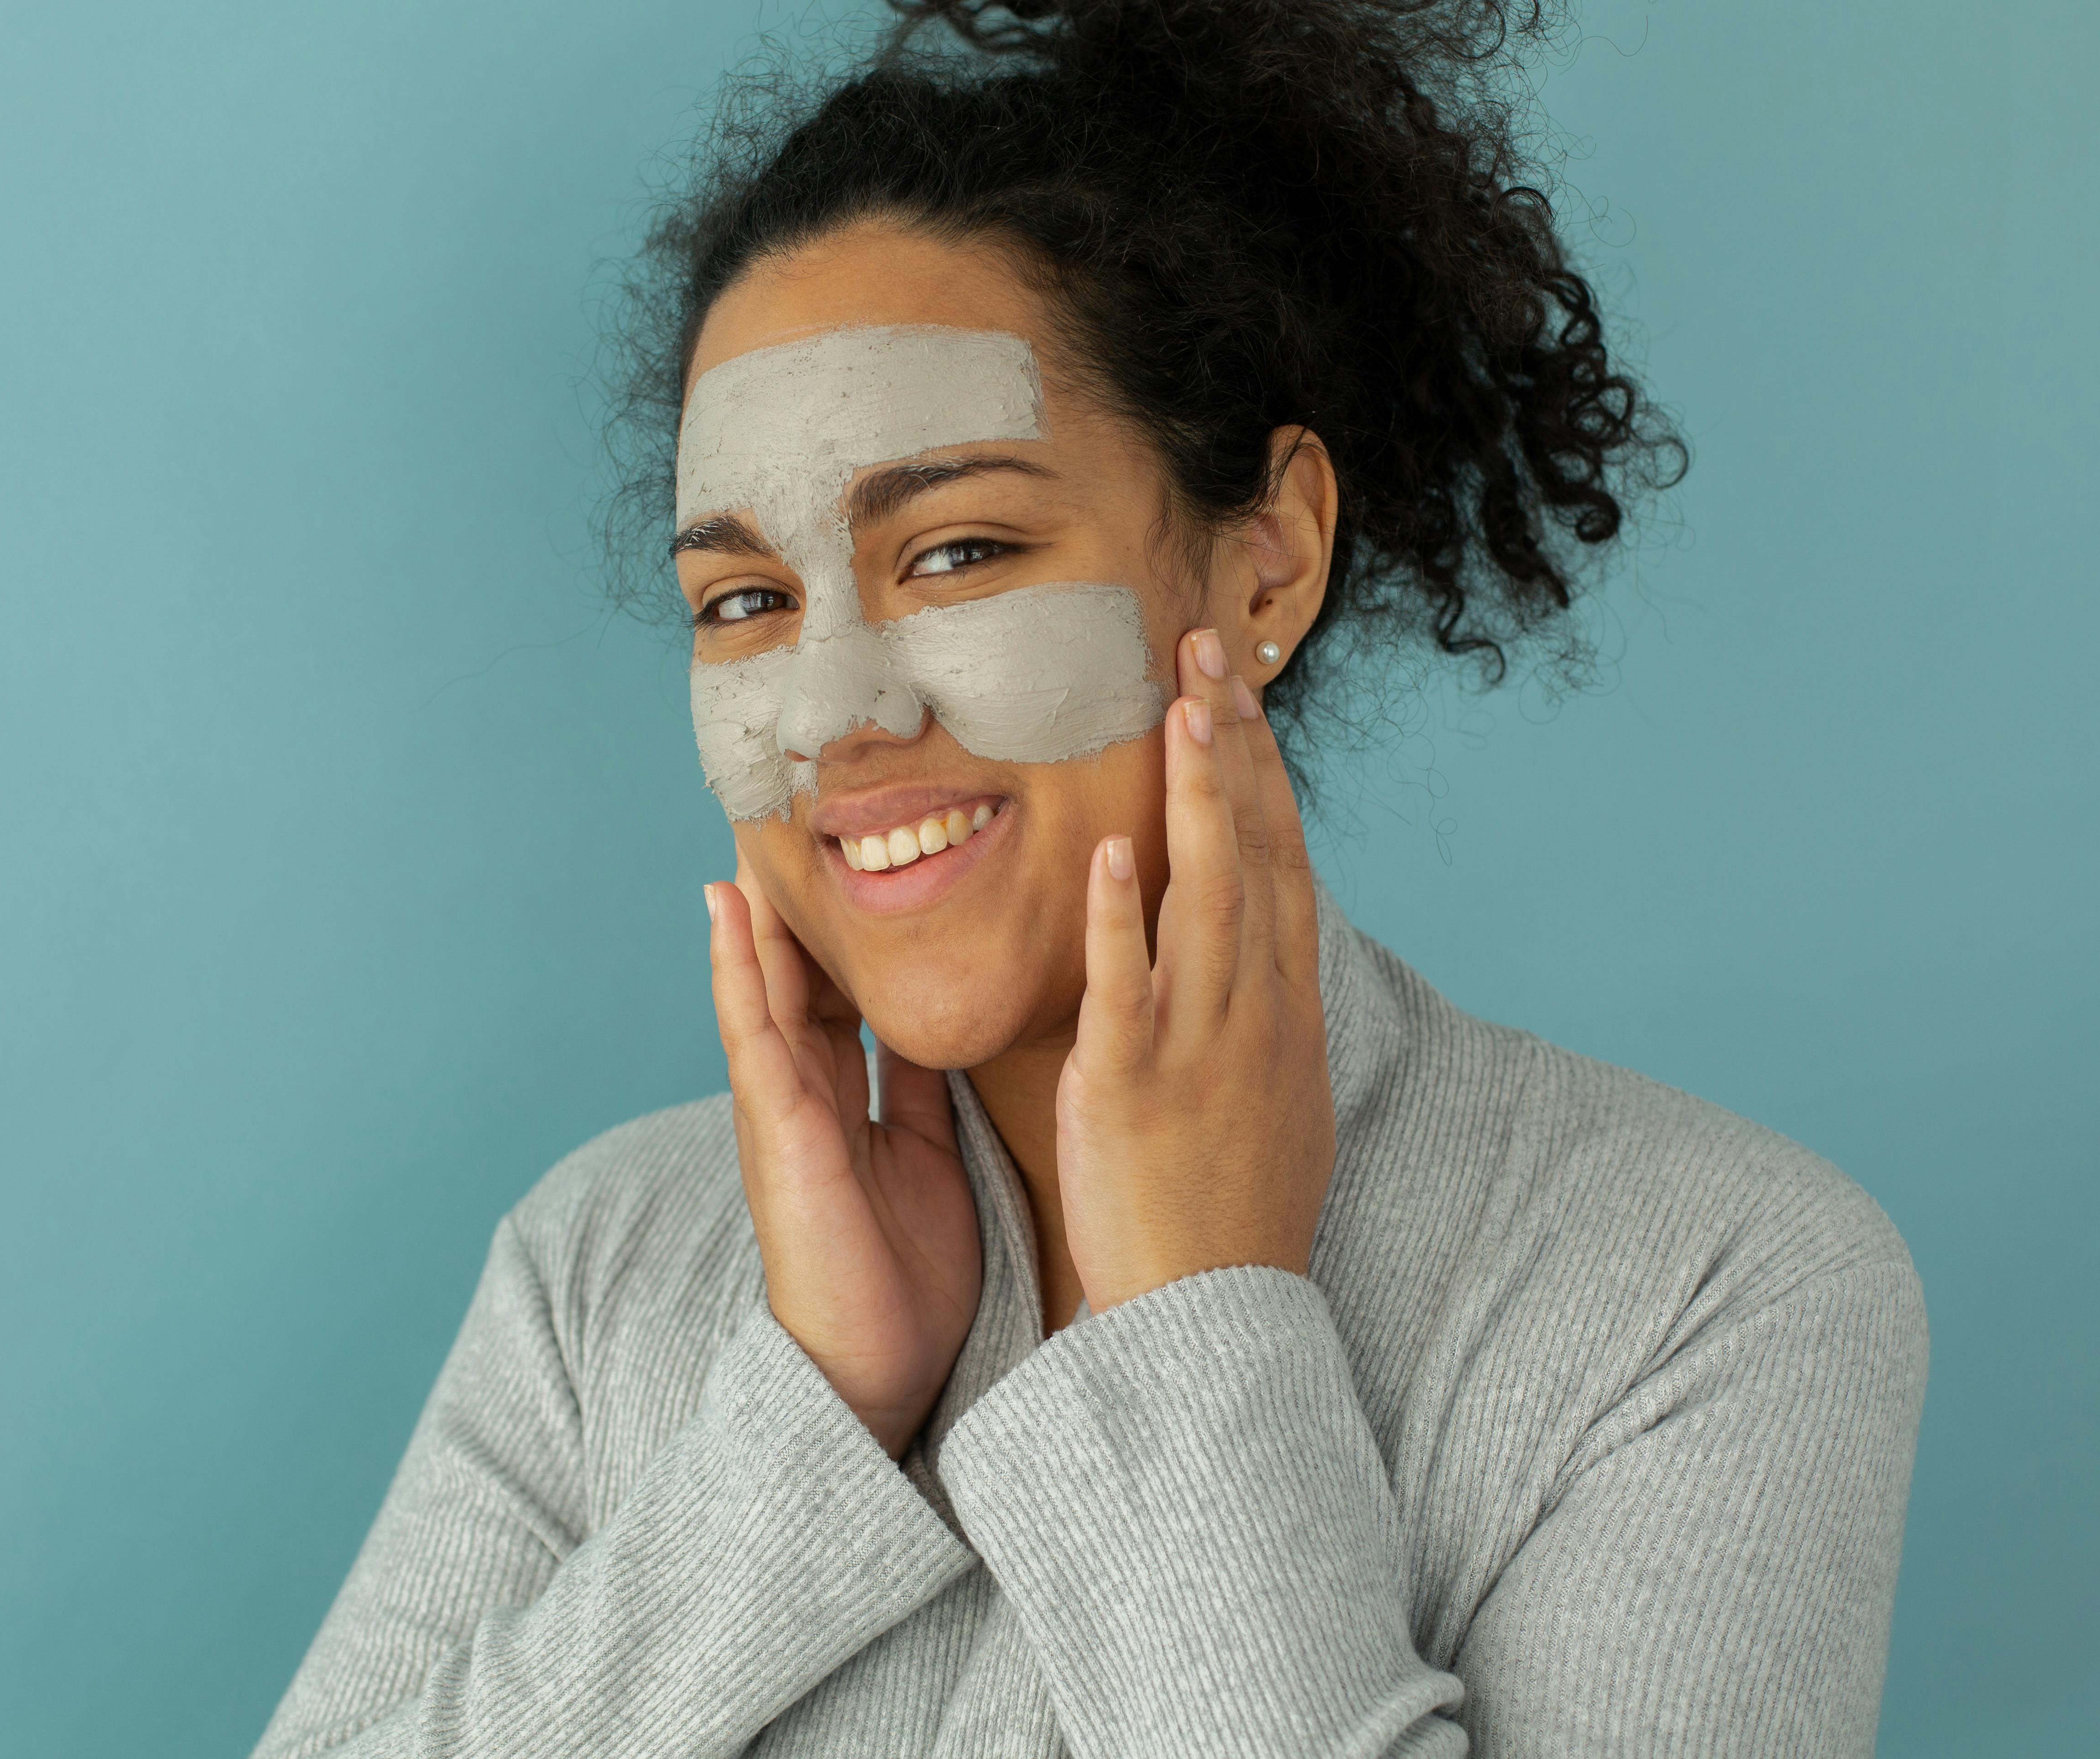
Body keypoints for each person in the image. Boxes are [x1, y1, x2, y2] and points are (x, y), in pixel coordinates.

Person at [251, 2, 1926, 1754]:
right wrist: (808, 1417)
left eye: (960, 549)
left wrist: (1203, 1328)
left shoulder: (1707, 1288)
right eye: (745, 602)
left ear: (1265, 563)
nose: (837, 717)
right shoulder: (604, 1265)